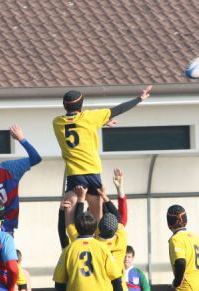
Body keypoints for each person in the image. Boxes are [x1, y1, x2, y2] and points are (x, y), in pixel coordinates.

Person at [53, 86, 151, 221]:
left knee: (70, 216)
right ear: (81, 104)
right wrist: (139, 99)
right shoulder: (90, 118)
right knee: (97, 217)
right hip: (92, 171)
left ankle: (73, 240)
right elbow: (118, 109)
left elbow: (76, 126)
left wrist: (101, 123)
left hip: (74, 174)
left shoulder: (57, 122)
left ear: (64, 105)